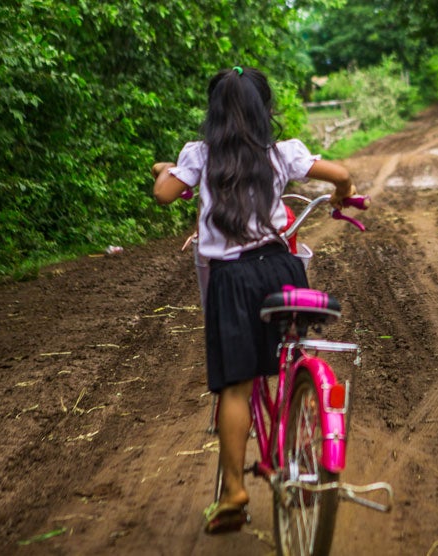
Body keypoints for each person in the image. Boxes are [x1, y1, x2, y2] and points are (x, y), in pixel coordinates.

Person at [151, 66, 356, 534]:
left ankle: (234, 491)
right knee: (286, 355)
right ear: (265, 110)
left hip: (233, 280)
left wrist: (170, 171)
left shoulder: (200, 155)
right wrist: (344, 194)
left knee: (236, 387)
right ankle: (300, 436)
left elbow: (165, 194)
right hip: (282, 269)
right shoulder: (281, 154)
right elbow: (341, 175)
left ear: (214, 113)